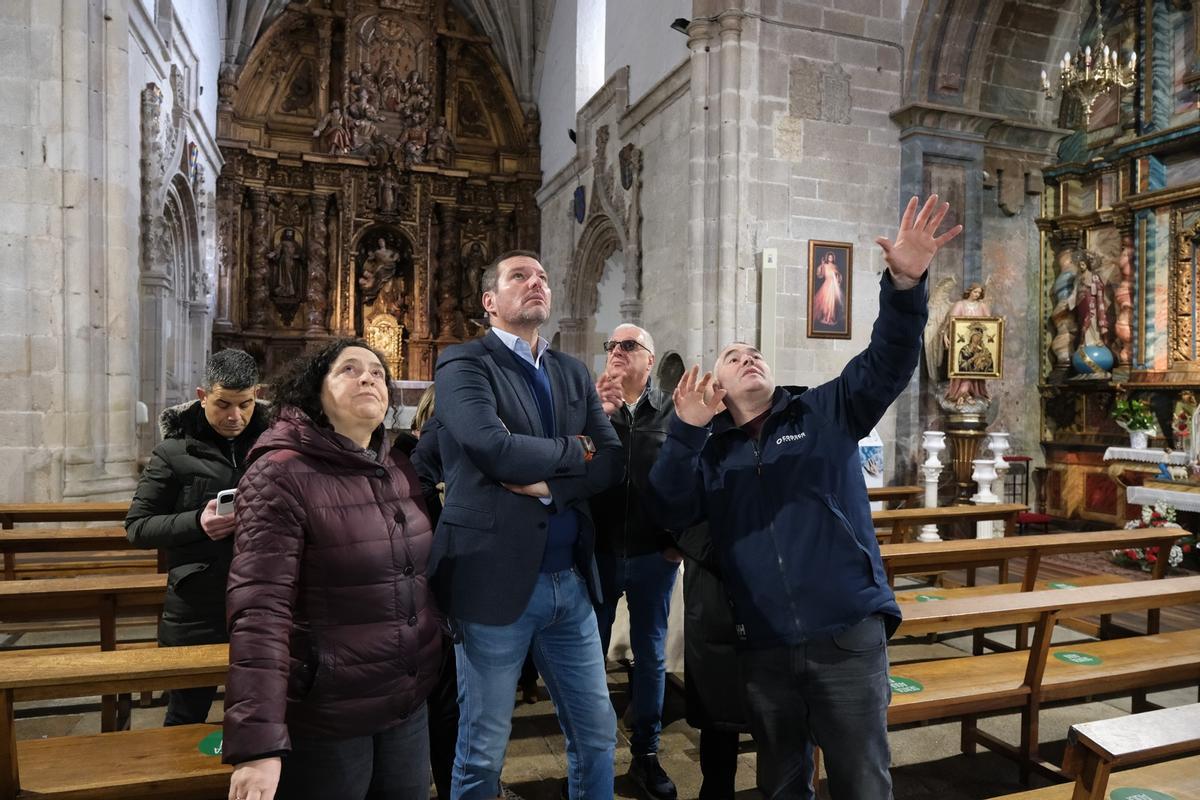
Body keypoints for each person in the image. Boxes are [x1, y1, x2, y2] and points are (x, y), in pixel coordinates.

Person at [648, 194, 962, 799]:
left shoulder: (824, 410)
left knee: (862, 783)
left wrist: (905, 283)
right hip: (764, 644)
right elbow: (670, 510)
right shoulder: (710, 451)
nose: (749, 357)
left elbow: (888, 362)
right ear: (716, 384)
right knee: (781, 786)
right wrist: (685, 431)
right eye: (734, 357)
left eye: (754, 352)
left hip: (845, 632)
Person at [421, 250, 622, 800]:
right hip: (491, 583)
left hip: (570, 585)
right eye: (519, 276)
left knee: (598, 734)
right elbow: (494, 448)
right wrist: (574, 448)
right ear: (490, 302)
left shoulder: (572, 371)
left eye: (542, 276)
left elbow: (611, 460)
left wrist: (554, 484)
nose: (536, 282)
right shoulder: (463, 363)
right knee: (483, 747)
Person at [223, 339, 442, 800]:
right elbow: (260, 610)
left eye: (378, 373)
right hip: (330, 713)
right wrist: (258, 744)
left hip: (405, 703)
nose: (368, 378)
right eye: (349, 370)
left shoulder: (396, 467)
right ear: (314, 392)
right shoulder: (280, 472)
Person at [125, 349, 267, 727]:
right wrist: (196, 522)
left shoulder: (273, 447)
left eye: (245, 404)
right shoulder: (174, 452)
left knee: (255, 715)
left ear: (258, 395)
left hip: (262, 601)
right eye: (223, 404)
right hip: (197, 605)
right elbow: (137, 527)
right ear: (203, 396)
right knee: (186, 715)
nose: (234, 416)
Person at [590, 324, 682, 800]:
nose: (617, 352)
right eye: (612, 346)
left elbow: (692, 474)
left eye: (629, 346)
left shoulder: (671, 410)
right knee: (588, 660)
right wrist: (592, 419)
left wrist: (678, 541)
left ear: (649, 361)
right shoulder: (588, 407)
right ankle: (591, 756)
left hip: (652, 554)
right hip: (599, 553)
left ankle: (645, 755)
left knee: (650, 657)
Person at [942, 283, 991, 405]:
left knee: (977, 367)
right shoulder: (960, 305)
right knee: (962, 367)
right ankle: (961, 394)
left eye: (979, 293)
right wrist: (945, 335)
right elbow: (950, 322)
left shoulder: (982, 306)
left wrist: (1000, 323)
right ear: (970, 291)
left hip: (978, 345)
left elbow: (991, 324)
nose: (977, 295)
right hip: (961, 343)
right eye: (975, 292)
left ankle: (974, 393)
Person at [812, 251, 843, 327]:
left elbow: (838, 275)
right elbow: (821, 275)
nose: (830, 258)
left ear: (833, 258)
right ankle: (826, 317)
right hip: (827, 284)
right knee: (826, 302)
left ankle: (831, 317)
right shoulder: (825, 265)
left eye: (831, 257)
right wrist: (822, 264)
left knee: (832, 302)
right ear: (827, 258)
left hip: (834, 285)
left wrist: (838, 277)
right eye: (829, 257)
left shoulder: (835, 266)